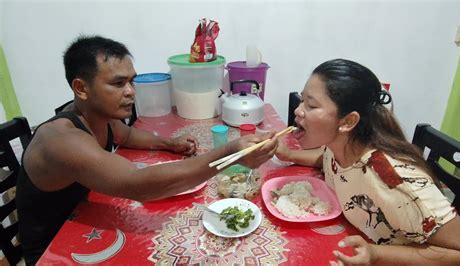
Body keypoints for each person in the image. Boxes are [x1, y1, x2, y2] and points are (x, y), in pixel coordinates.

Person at [16, 35, 278, 265]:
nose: (131, 92)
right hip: (55, 248)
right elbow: (139, 186)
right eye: (118, 84)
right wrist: (229, 152)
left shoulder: (97, 117)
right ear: (81, 88)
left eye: (132, 81)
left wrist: (169, 144)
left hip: (85, 217)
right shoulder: (62, 140)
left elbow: (126, 133)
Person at [275, 59, 460, 265]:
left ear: (348, 121)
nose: (298, 110)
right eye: (301, 101)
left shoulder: (393, 181)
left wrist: (376, 254)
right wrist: (289, 154)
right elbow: (326, 160)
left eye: (311, 105)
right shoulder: (339, 146)